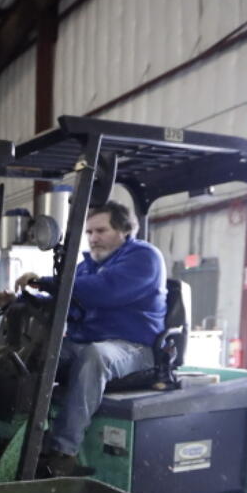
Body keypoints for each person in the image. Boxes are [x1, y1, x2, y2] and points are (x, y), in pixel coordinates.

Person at [14, 200, 167, 477]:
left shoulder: (143, 258)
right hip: (89, 342)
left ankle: (63, 453)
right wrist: (18, 300)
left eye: (101, 231)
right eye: (90, 233)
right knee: (39, 352)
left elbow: (105, 291)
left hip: (136, 347)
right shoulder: (88, 267)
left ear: (123, 230)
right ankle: (23, 436)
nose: (94, 239)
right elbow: (65, 302)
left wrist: (46, 281)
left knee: (95, 355)